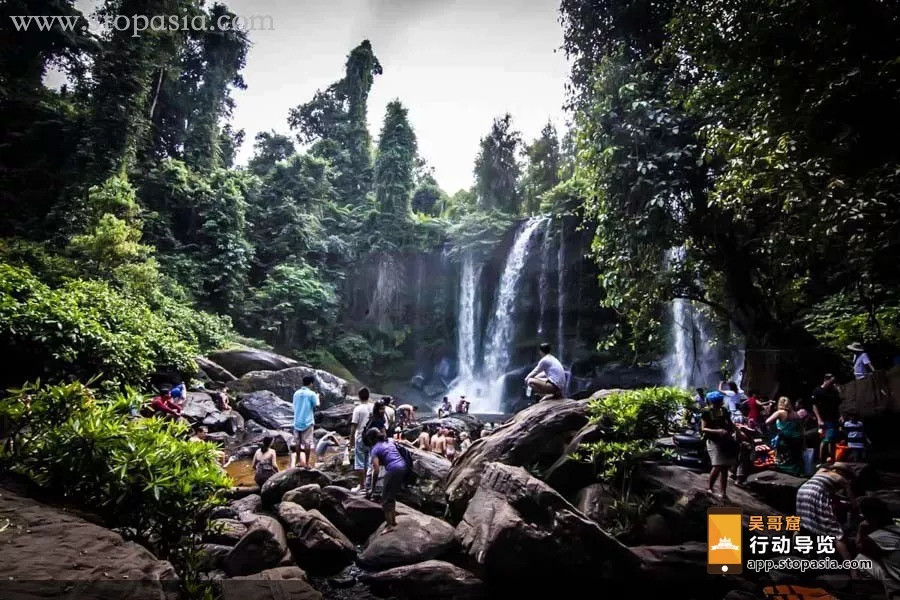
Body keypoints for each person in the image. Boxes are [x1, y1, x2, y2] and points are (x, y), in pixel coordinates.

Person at [796, 463, 856, 562]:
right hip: (816, 493)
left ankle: (800, 552)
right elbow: (853, 502)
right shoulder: (842, 479)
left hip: (803, 491)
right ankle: (852, 569)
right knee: (837, 533)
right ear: (842, 472)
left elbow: (829, 494)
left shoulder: (821, 471)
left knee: (803, 522)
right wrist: (856, 512)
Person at [855, 496, 900, 598]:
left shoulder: (875, 539)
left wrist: (860, 528)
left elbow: (858, 547)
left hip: (897, 584)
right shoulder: (896, 529)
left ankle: (880, 589)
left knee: (859, 559)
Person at [366, 428, 408, 533]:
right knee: (391, 496)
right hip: (403, 466)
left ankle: (389, 526)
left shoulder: (375, 449)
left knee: (384, 499)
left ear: (371, 439)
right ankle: (393, 521)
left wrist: (372, 488)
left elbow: (375, 471)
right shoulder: (389, 440)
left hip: (393, 469)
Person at [701, 391, 738, 502]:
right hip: (713, 441)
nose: (720, 402)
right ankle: (710, 488)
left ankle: (723, 492)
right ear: (713, 402)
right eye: (718, 401)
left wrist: (737, 432)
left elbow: (730, 423)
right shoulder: (706, 412)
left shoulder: (724, 410)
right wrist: (718, 431)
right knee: (718, 465)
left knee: (725, 468)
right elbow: (703, 428)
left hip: (725, 440)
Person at [765, 396, 805, 476]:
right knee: (794, 457)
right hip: (797, 438)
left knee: (783, 458)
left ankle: (786, 473)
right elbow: (800, 428)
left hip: (785, 438)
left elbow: (767, 422)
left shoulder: (780, 413)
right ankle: (796, 472)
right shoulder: (795, 414)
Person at [812, 374, 842, 465]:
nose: (833, 384)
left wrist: (841, 415)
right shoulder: (818, 391)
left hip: (834, 418)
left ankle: (832, 459)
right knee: (825, 440)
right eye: (831, 382)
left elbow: (838, 404)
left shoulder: (834, 391)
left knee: (833, 440)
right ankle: (821, 460)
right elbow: (814, 405)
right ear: (826, 380)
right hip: (824, 419)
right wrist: (819, 419)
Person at [349, 388, 374, 493]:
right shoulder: (373, 407)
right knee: (370, 461)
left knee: (360, 462)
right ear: (369, 396)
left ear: (359, 397)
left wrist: (351, 440)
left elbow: (354, 426)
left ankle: (362, 485)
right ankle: (370, 486)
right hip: (373, 438)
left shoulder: (358, 409)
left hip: (360, 437)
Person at [292, 375, 320, 469]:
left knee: (297, 443)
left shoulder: (296, 393)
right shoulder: (311, 394)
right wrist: (318, 397)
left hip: (297, 420)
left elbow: (294, 405)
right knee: (308, 443)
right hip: (307, 421)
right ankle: (307, 463)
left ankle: (297, 462)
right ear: (311, 383)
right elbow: (316, 405)